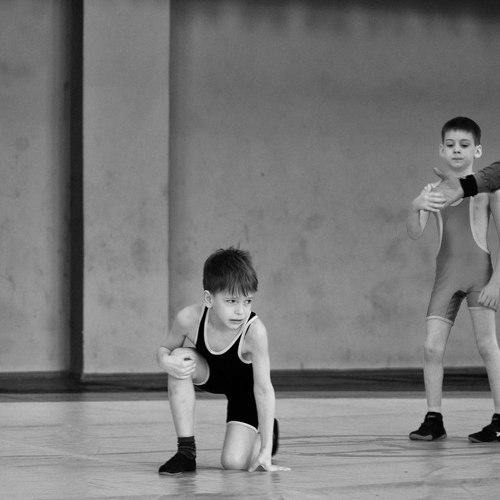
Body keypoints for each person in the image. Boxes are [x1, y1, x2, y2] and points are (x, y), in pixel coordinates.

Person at [407, 117, 500, 442]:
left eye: (464, 145)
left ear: (477, 150)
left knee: (487, 345)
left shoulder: (488, 190)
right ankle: (434, 418)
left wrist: (497, 282)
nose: (457, 151)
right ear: (441, 149)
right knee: (431, 347)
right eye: (450, 145)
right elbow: (415, 233)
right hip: (445, 277)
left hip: (480, 277)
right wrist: (415, 206)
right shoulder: (433, 191)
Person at [157, 247, 289, 473]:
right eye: (231, 301)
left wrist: (266, 450)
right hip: (209, 373)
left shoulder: (254, 332)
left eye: (248, 301)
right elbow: (165, 349)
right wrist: (165, 361)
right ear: (209, 299)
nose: (241, 311)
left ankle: (266, 435)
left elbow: (264, 389)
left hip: (244, 392)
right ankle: (186, 452)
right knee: (179, 357)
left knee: (233, 463)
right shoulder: (189, 318)